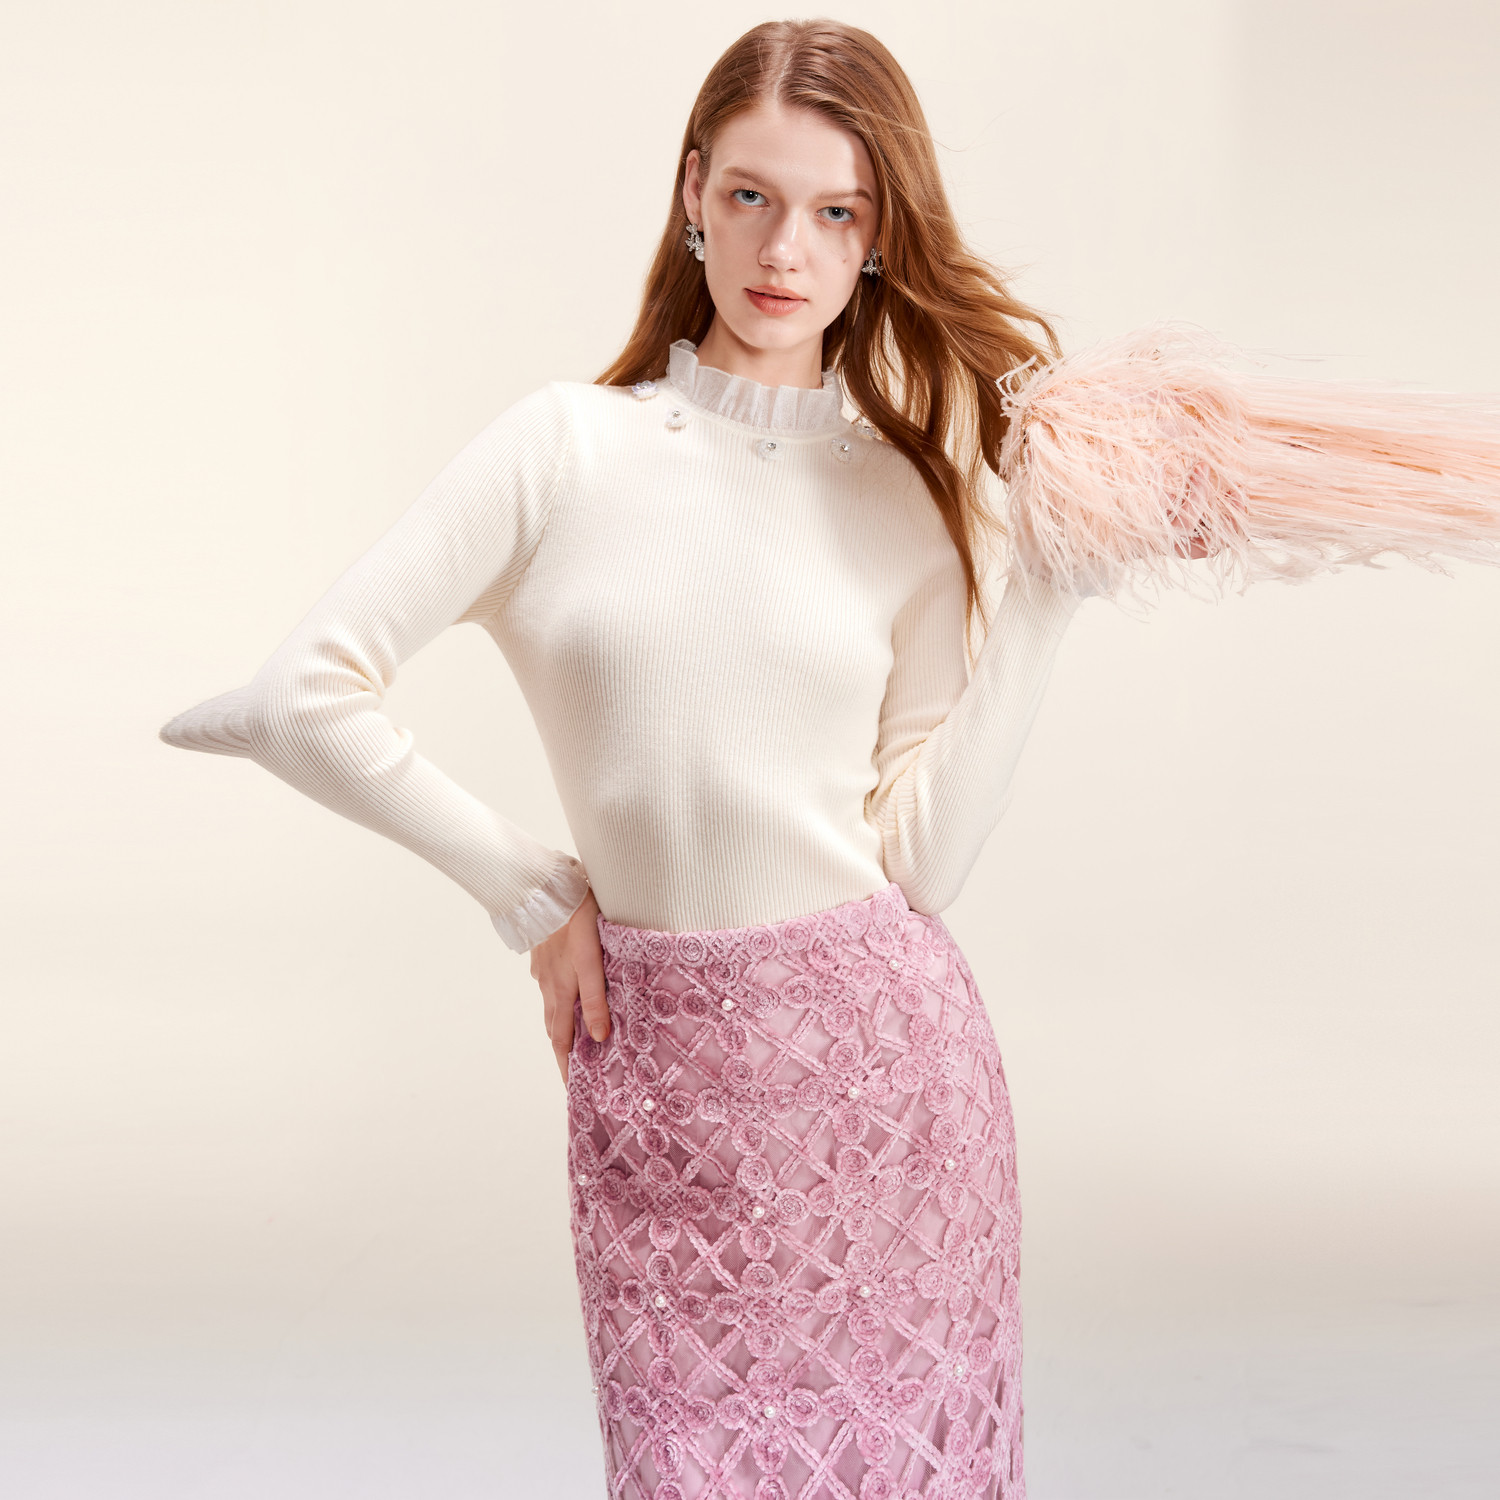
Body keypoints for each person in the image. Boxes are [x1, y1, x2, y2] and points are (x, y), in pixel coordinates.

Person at [161, 19, 1205, 1500]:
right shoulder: (563, 451)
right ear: (692, 192)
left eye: (837, 212)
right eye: (753, 196)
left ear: (879, 240)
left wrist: (1046, 594)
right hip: (661, 1082)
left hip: (888, 1092)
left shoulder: (909, 497)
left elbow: (925, 864)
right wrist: (529, 892)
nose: (786, 249)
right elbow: (295, 700)